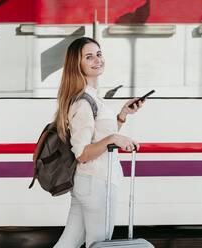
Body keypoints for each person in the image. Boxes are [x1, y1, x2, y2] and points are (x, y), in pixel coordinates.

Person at [53, 37, 145, 248]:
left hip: (88, 183)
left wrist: (122, 115)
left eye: (99, 54)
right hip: (97, 184)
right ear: (78, 65)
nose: (97, 60)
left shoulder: (93, 98)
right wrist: (114, 139)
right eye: (89, 56)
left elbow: (101, 139)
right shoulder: (83, 102)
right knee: (99, 244)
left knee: (67, 244)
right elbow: (83, 153)